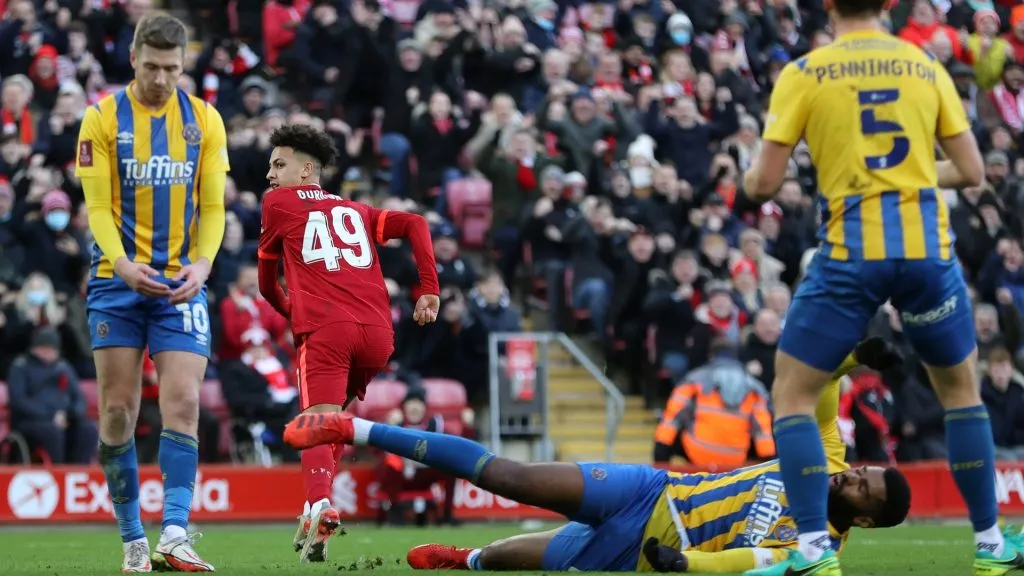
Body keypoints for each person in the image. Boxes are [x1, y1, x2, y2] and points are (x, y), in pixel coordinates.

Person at [741, 0, 1024, 574]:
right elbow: (970, 172)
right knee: (962, 395)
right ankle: (991, 545)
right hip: (926, 252)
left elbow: (763, 184)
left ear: (826, 4)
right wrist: (909, 176)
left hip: (851, 253)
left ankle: (814, 553)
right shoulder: (926, 67)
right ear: (889, 5)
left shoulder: (805, 72)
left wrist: (756, 174)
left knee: (793, 397)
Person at [282, 338, 912, 573]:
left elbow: (749, 561)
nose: (854, 474)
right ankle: (353, 427)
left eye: (863, 487)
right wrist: (854, 362)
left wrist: (684, 567)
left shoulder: (814, 551)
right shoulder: (823, 460)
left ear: (860, 520)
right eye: (863, 469)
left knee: (513, 559)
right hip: (651, 490)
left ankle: (466, 559)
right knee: (513, 475)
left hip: (646, 554)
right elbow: (819, 399)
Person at [75, 11, 228, 574]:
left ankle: (176, 532)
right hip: (117, 281)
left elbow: (211, 207)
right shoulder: (100, 119)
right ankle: (133, 536)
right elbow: (95, 208)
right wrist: (120, 263)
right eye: (152, 65)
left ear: (183, 63)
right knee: (117, 410)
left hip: (181, 283)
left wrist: (204, 263)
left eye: (172, 67)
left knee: (184, 402)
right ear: (134, 56)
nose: (162, 78)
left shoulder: (205, 120)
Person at [256, 124, 441, 563]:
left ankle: (319, 504)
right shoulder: (356, 210)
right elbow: (415, 222)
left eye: (278, 165)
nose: (270, 175)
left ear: (306, 170)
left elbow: (267, 284)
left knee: (317, 421)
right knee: (334, 420)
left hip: (328, 330)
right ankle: (313, 513)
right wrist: (429, 287)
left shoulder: (277, 203)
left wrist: (293, 312)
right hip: (379, 335)